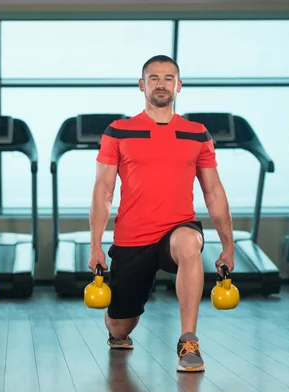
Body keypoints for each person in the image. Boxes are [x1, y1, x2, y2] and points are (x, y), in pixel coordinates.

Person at [88, 55, 234, 373]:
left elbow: (214, 191)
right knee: (119, 327)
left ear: (178, 85)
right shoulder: (118, 131)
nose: (161, 84)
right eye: (153, 78)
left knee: (189, 244)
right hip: (132, 237)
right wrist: (95, 245)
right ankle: (119, 327)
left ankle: (188, 340)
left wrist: (228, 243)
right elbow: (103, 190)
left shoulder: (197, 133)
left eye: (168, 78)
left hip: (178, 228)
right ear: (142, 85)